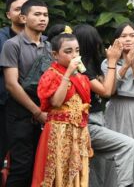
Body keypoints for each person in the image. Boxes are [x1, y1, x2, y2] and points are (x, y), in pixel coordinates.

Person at [73, 23, 134, 187]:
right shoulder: (79, 66)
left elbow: (109, 89)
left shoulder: (91, 64)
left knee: (97, 168)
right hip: (87, 122)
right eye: (97, 42)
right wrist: (113, 62)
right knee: (128, 145)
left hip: (98, 119)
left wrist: (126, 65)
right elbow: (106, 92)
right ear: (90, 43)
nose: (100, 46)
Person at [31, 28, 91, 186]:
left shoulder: (82, 77)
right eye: (68, 51)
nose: (74, 55)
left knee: (76, 175)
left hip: (78, 132)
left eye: (77, 50)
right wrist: (68, 74)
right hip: (58, 133)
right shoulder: (51, 75)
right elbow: (56, 103)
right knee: (57, 173)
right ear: (55, 55)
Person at [0, 0, 50, 186]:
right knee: (21, 168)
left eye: (45, 15)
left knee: (41, 168)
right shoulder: (12, 45)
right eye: (37, 14)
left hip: (45, 114)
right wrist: (37, 112)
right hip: (20, 114)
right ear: (23, 17)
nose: (42, 19)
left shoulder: (49, 46)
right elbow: (11, 85)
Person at [102, 22, 134, 169]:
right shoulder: (108, 62)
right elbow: (110, 89)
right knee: (115, 151)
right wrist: (124, 66)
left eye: (132, 35)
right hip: (116, 107)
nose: (128, 39)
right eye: (123, 36)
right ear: (116, 40)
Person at [0, 0, 30, 174]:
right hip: (4, 104)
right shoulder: (4, 39)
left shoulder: (42, 41)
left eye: (25, 8)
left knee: (23, 160)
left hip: (28, 107)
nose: (21, 13)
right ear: (8, 15)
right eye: (17, 9)